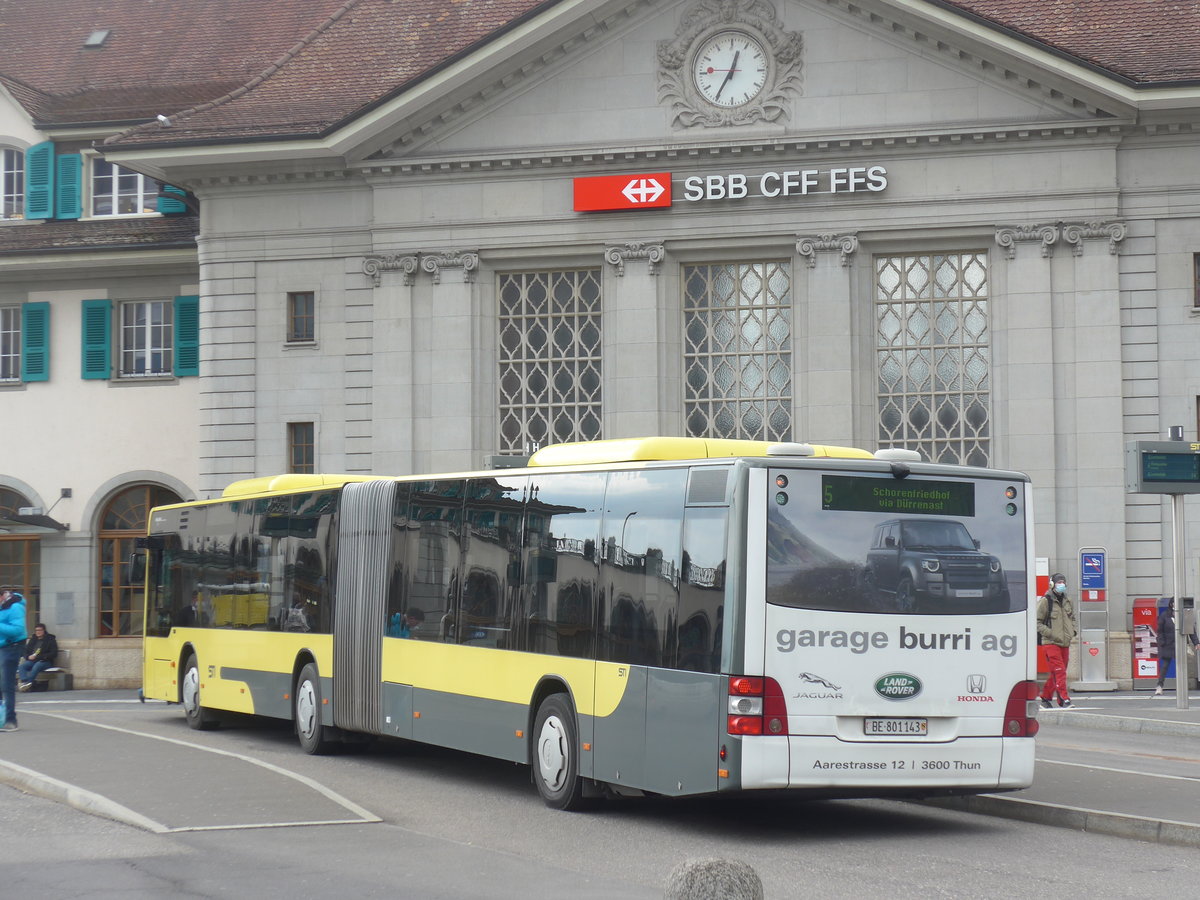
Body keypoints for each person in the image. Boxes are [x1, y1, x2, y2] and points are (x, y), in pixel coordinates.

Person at [1037, 572, 1077, 709]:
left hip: (1065, 642)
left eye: (1063, 582)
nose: (1062, 584)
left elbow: (1072, 618)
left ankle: (1045, 698)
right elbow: (1037, 622)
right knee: (1060, 671)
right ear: (1052, 584)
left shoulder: (1068, 600)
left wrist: (1073, 631)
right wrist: (1050, 634)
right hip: (1050, 643)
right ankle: (1064, 699)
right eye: (1059, 582)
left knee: (1057, 672)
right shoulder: (1046, 601)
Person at [1156, 598, 1200, 695]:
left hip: (1180, 644)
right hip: (1168, 645)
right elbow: (1160, 631)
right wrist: (1162, 642)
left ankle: (1183, 686)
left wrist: (1196, 642)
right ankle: (1159, 685)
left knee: (1182, 666)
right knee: (1165, 666)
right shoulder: (1165, 615)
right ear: (1171, 604)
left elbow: (1191, 630)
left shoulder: (1184, 615)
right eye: (1174, 603)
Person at [0, 588, 29, 731]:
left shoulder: (15, 606)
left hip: (12, 646)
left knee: (7, 684)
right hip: (3, 646)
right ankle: (3, 717)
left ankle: (11, 720)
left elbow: (18, 630)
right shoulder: (3, 607)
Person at [17, 623, 57, 691]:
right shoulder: (33, 639)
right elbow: (25, 651)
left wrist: (39, 657)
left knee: (37, 665)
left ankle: (28, 682)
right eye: (36, 630)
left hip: (45, 661)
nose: (38, 632)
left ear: (44, 630)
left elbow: (53, 653)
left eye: (40, 630)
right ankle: (24, 682)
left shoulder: (50, 640)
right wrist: (28, 657)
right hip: (32, 660)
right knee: (22, 666)